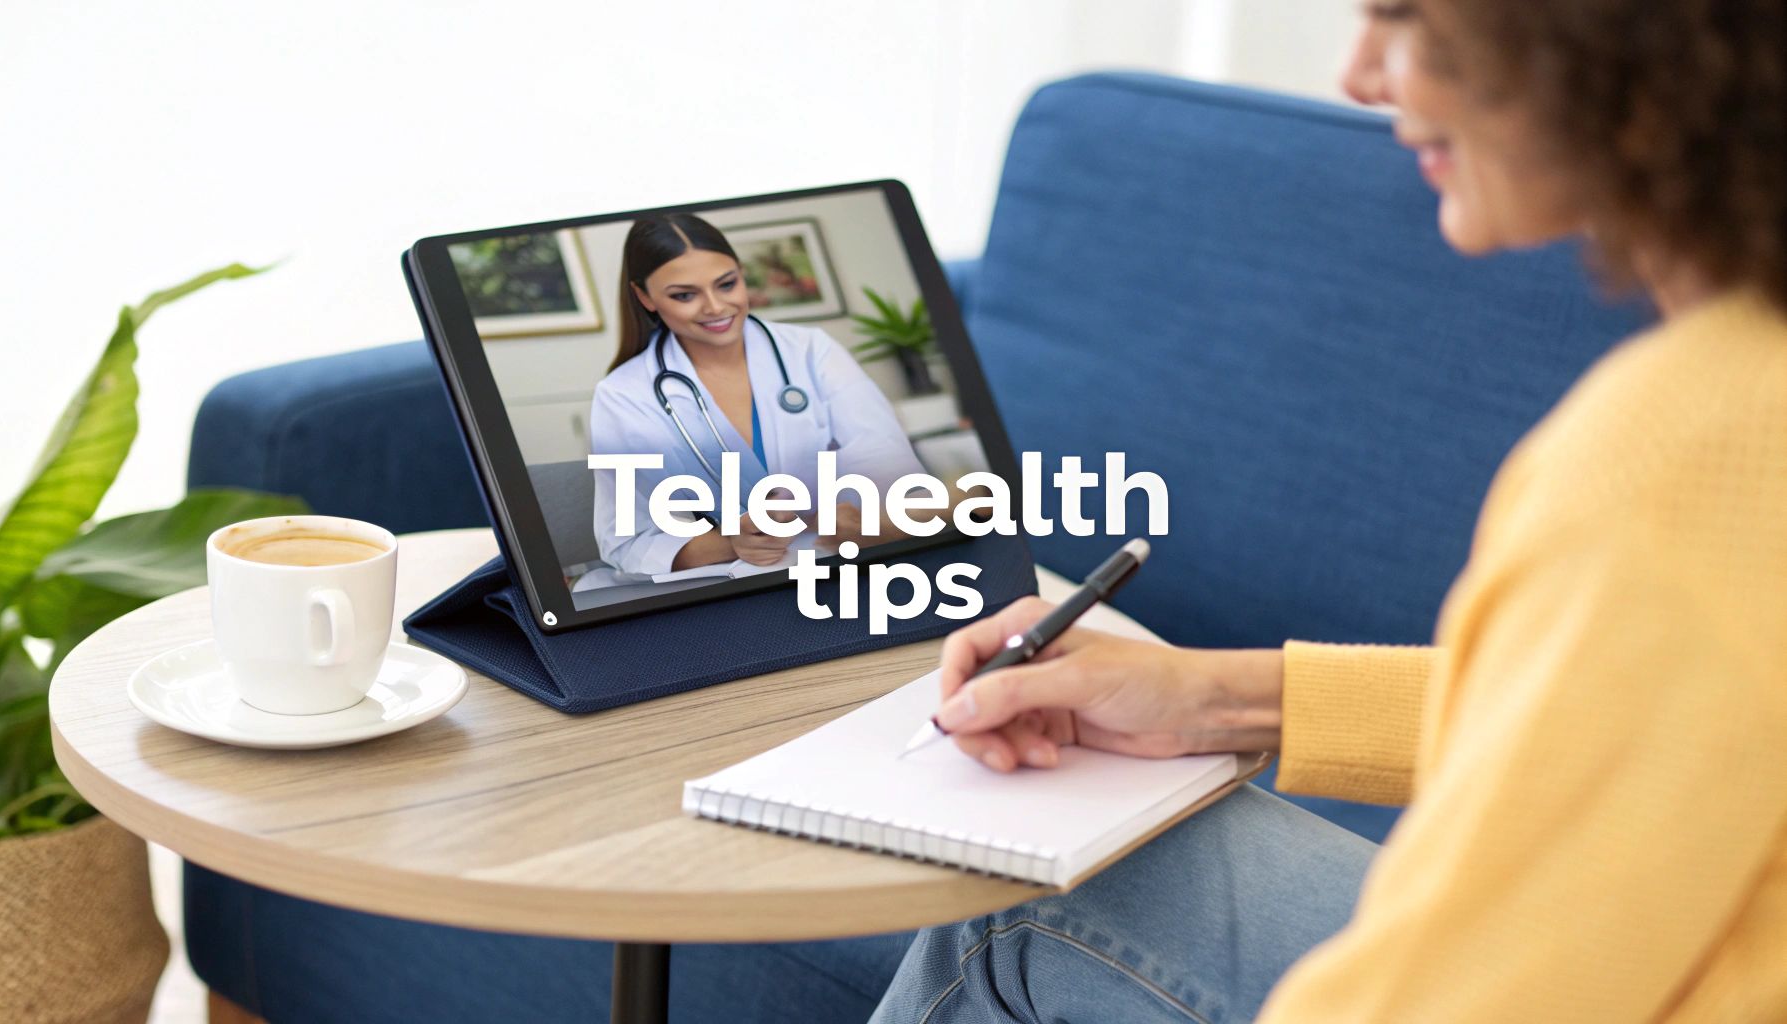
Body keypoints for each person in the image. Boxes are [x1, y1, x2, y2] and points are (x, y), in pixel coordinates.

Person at [872, 0, 1787, 1021]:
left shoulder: (1665, 461)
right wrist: (1219, 699)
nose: (1357, 75)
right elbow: (1655, 711)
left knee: (1021, 900)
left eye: (1401, 18)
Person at [588, 213, 926, 578]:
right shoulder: (624, 395)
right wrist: (731, 541)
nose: (716, 307)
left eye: (727, 284)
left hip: (850, 566)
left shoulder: (811, 351)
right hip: (737, 586)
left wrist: (861, 516)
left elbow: (891, 471)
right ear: (645, 297)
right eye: (685, 295)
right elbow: (629, 540)